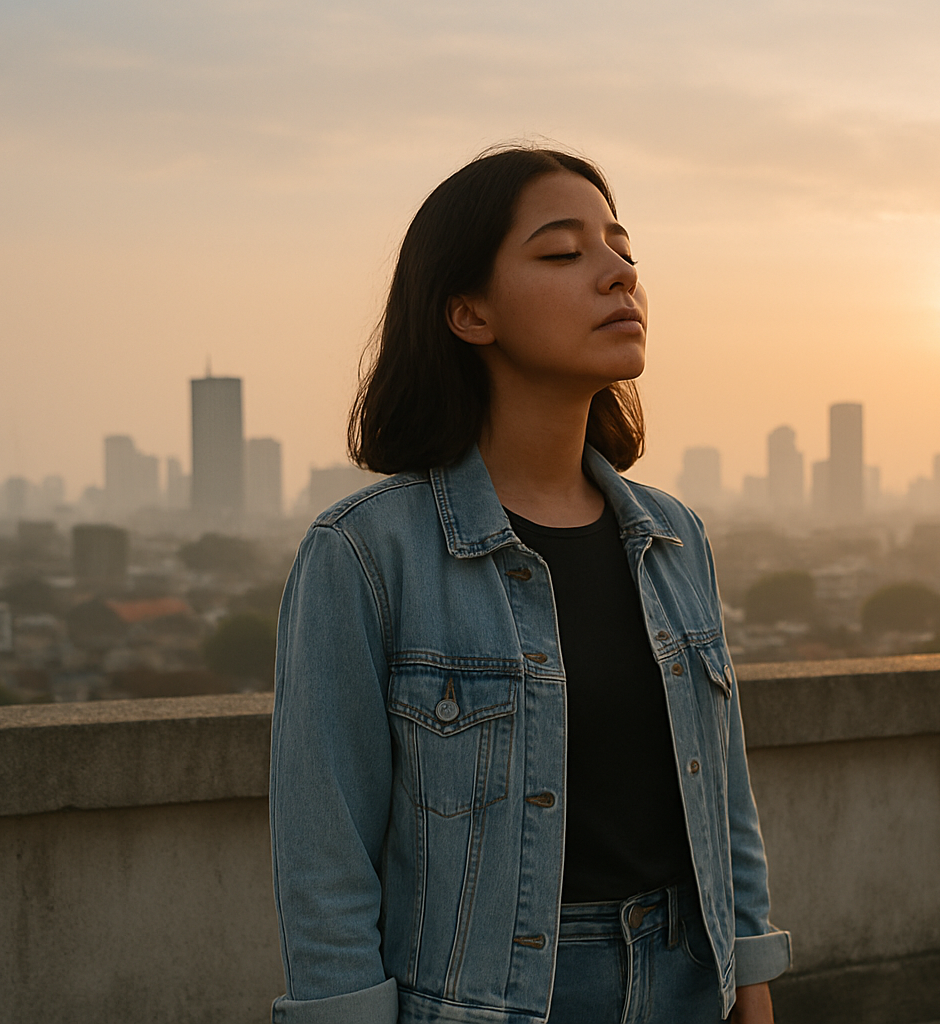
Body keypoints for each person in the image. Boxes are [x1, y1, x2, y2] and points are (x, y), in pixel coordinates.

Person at [269, 145, 791, 1024]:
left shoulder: (672, 537)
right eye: (563, 252)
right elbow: (325, 854)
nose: (618, 272)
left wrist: (751, 971)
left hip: (690, 985)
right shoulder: (367, 552)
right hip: (496, 1002)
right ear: (470, 313)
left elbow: (722, 789)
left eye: (622, 249)